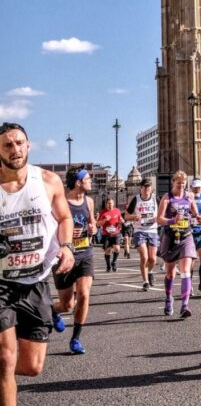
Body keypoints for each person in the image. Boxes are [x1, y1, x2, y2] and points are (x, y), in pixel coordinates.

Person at [0, 122, 75, 405]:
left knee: (32, 367)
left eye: (19, 143)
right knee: (6, 359)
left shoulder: (48, 180)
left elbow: (65, 218)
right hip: (2, 282)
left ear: (28, 145)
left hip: (36, 281)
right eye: (7, 145)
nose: (15, 149)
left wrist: (66, 247)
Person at [51, 166, 97, 355]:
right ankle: (53, 311)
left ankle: (75, 339)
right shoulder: (61, 203)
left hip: (85, 253)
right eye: (88, 178)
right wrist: (67, 236)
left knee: (84, 294)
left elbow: (91, 223)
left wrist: (92, 229)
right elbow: (51, 230)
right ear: (78, 182)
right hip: (64, 257)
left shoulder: (89, 201)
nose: (91, 180)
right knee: (67, 305)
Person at [156, 170, 200, 318]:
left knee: (186, 270)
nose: (181, 185)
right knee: (170, 272)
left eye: (183, 183)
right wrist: (171, 221)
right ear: (173, 182)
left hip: (186, 236)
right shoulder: (167, 198)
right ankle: (169, 298)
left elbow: (195, 213)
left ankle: (185, 305)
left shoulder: (189, 196)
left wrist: (198, 217)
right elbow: (159, 219)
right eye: (178, 182)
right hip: (170, 237)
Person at [125, 178, 159, 291]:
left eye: (148, 187)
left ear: (151, 188)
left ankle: (150, 272)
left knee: (152, 258)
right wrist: (133, 217)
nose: (147, 189)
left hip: (152, 230)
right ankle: (145, 282)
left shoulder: (155, 199)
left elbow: (163, 213)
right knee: (144, 256)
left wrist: (157, 218)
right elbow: (126, 216)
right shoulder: (136, 199)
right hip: (139, 230)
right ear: (141, 187)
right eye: (145, 187)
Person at [98, 198, 123, 272]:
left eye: (111, 203)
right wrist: (105, 220)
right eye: (108, 203)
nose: (110, 205)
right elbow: (98, 224)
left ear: (113, 204)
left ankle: (114, 262)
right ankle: (108, 265)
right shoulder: (103, 212)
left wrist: (122, 221)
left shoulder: (117, 211)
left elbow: (120, 219)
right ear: (106, 204)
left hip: (116, 233)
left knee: (117, 248)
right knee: (108, 251)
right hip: (106, 234)